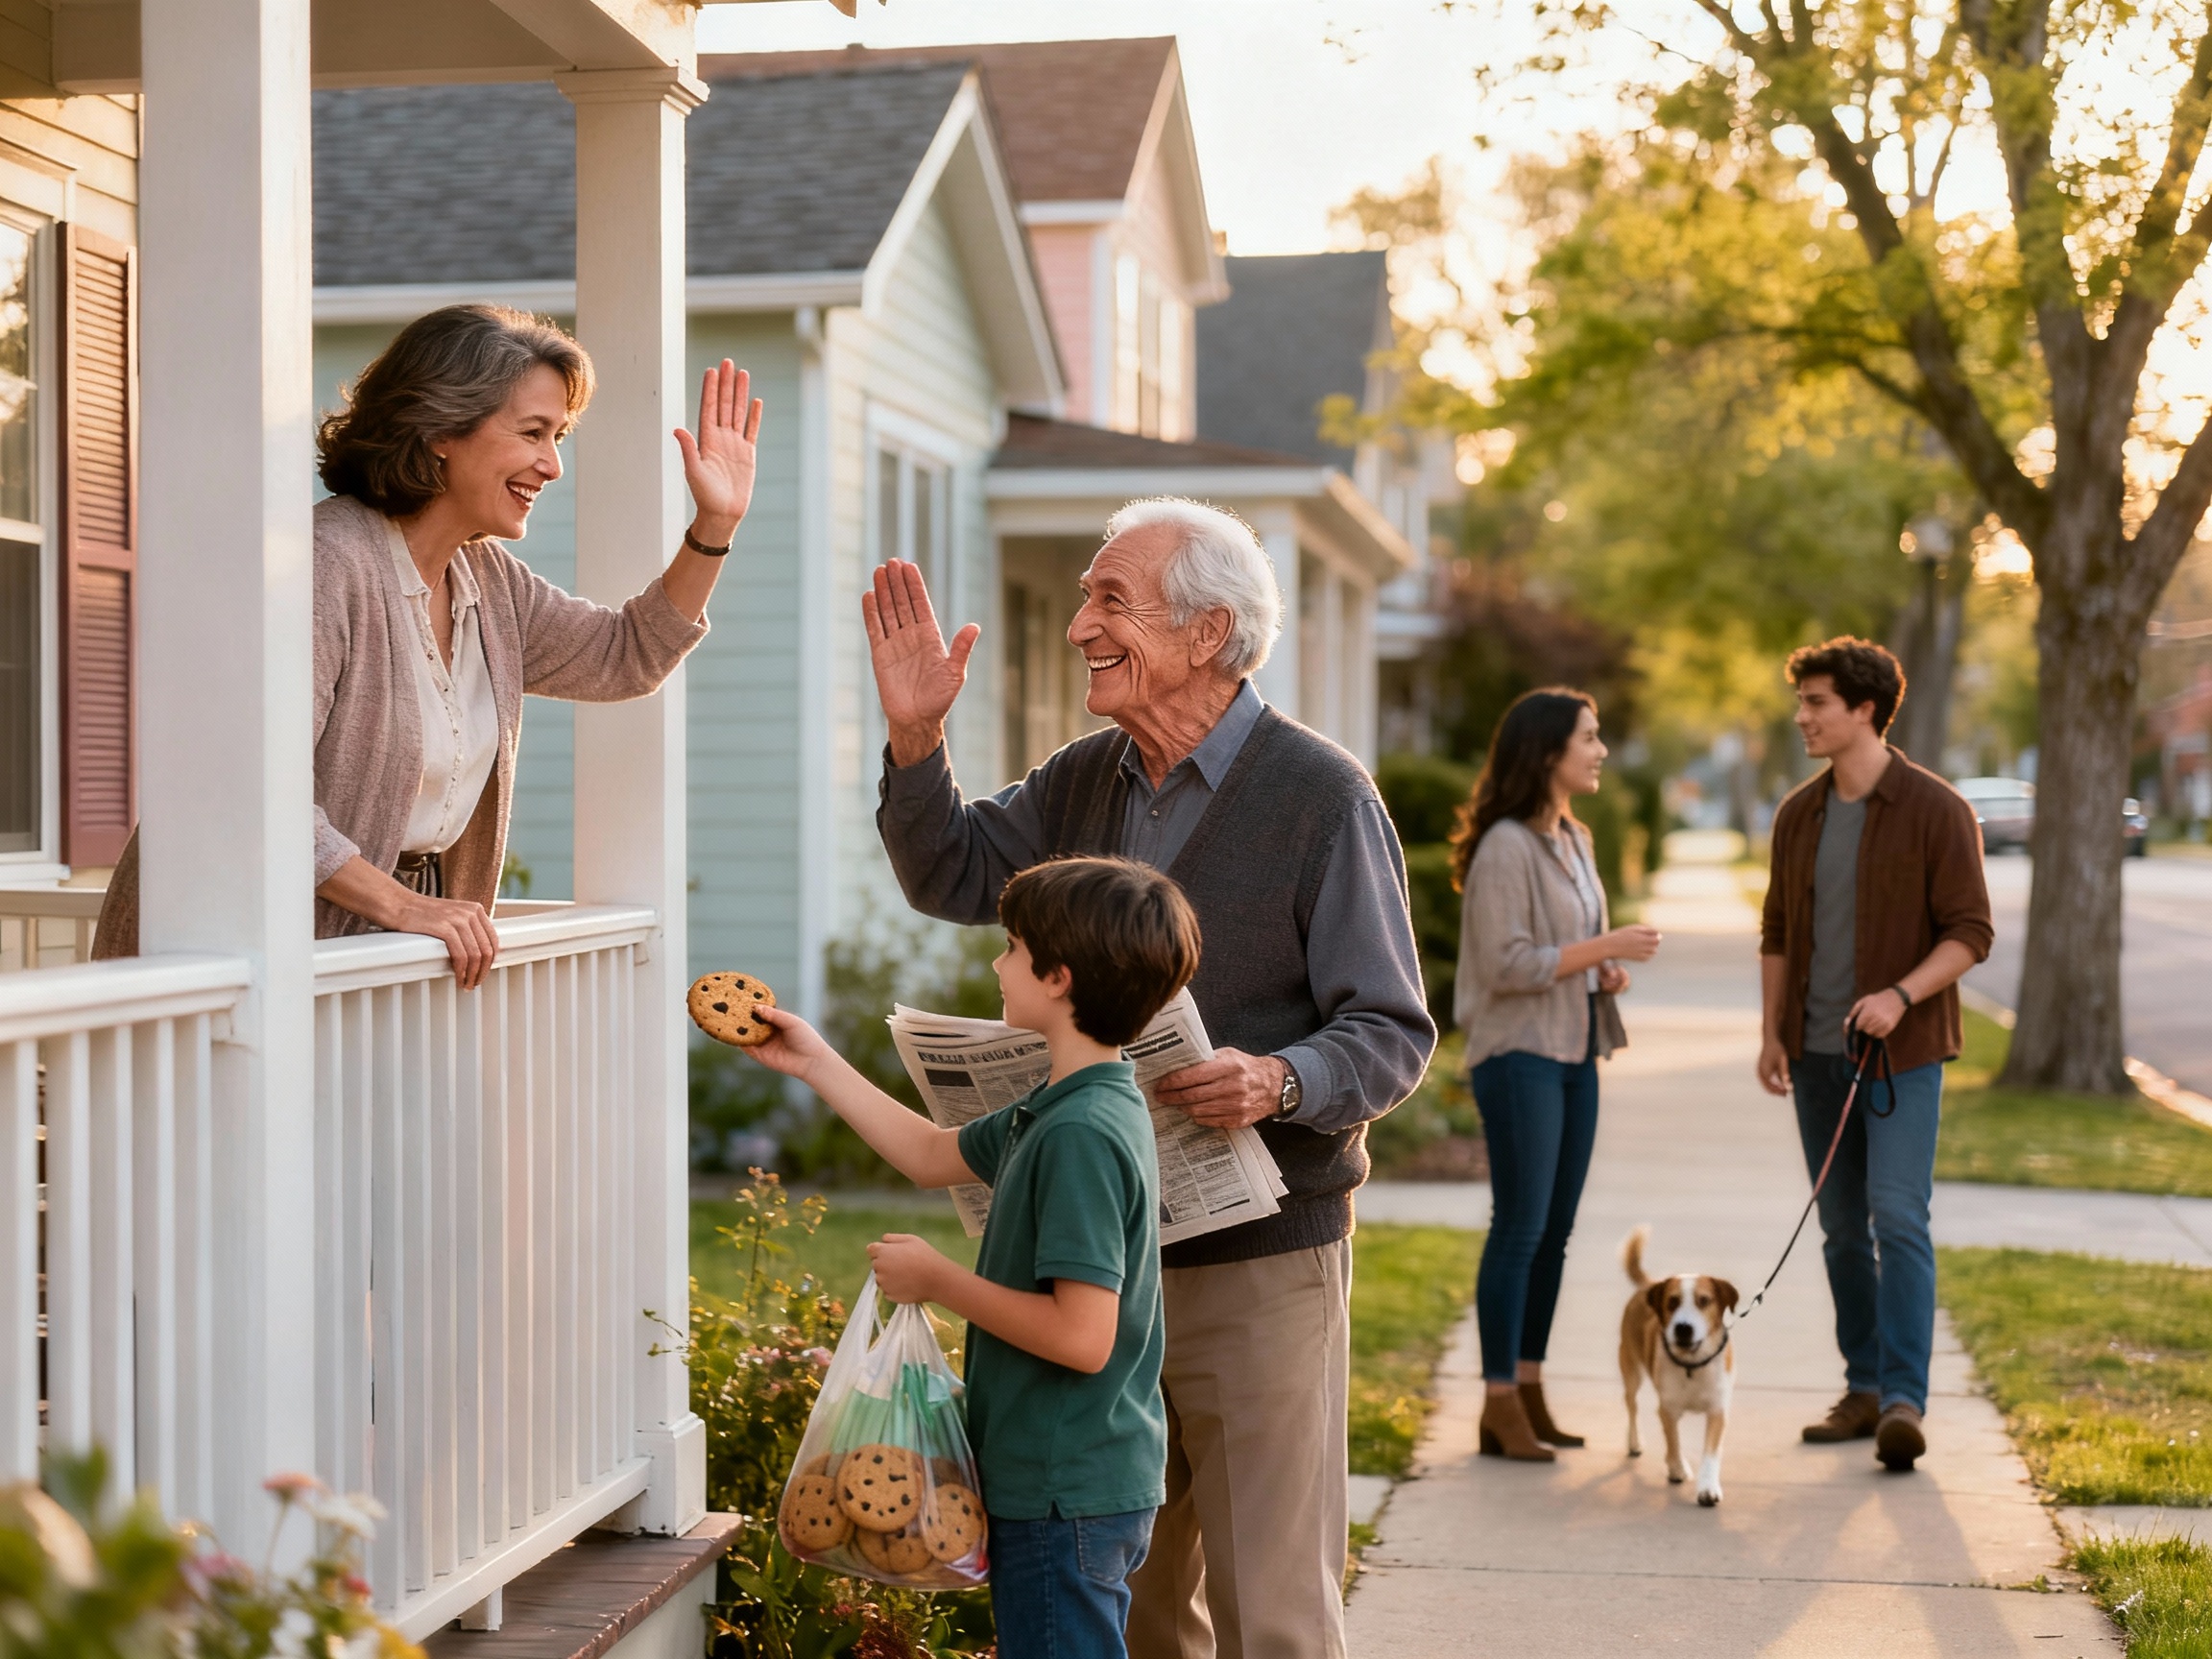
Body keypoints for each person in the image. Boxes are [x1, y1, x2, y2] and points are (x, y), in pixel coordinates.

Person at [866, 496, 1434, 1659]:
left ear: (1208, 630)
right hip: (1101, 1273)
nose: (1079, 626)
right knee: (1141, 1608)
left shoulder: (1322, 796)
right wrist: (918, 744)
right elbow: (953, 871)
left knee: (1271, 1611)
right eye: (1084, 596)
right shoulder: (1086, 781)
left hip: (1258, 1265)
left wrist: (1278, 1080)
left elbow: (1391, 1027)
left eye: (1110, 599)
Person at [93, 304, 762, 982]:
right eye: (534, 432)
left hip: (366, 965)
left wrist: (715, 522)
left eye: (558, 436)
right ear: (443, 427)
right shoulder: (327, 565)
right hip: (225, 967)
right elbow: (242, 786)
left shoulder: (488, 580)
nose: (553, 465)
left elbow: (626, 656)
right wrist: (400, 903)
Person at [745, 855, 1201, 1659]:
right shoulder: (1069, 1103)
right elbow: (927, 1153)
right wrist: (813, 1060)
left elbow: (1082, 1336)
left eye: (1013, 949)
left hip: (1066, 1489)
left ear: (1058, 978)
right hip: (1065, 1480)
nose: (997, 963)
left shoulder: (1081, 1136)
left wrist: (941, 1281)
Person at [1756, 637, 1992, 1472]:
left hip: (1904, 1058)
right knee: (1840, 1231)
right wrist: (1770, 1031)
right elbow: (1778, 929)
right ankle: (1862, 1388)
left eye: (1817, 703)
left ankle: (1903, 1402)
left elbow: (1971, 933)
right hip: (1816, 1056)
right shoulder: (1798, 814)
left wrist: (1901, 995)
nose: (1804, 718)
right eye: (1803, 703)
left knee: (1899, 1217)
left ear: (1864, 709)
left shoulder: (1935, 809)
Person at [1450, 688, 1660, 1461]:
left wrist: (1599, 972)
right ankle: (1498, 1398)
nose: (1601, 751)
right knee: (1520, 1228)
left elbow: (1561, 954)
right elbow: (1506, 965)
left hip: (1575, 1052)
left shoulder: (1574, 839)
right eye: (1590, 739)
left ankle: (1529, 1389)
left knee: (1556, 1235)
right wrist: (1604, 951)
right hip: (1519, 1057)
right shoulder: (1506, 846)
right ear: (1547, 753)